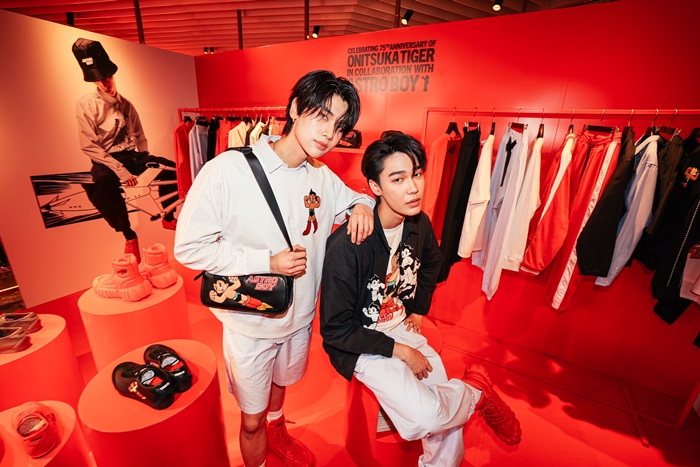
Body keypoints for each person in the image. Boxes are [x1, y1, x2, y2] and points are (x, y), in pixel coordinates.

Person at [174, 70, 374, 467]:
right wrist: (266, 262)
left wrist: (364, 205)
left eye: (339, 126)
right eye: (322, 116)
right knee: (251, 421)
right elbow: (190, 248)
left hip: (299, 319)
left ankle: (278, 430)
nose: (329, 134)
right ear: (295, 109)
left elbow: (355, 198)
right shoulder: (228, 170)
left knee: (282, 385)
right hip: (250, 323)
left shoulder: (322, 176)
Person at [320, 133, 522, 466]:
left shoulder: (418, 224)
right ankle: (476, 393)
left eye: (416, 174)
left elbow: (432, 263)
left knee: (444, 423)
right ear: (375, 187)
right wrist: (402, 351)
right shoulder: (348, 245)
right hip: (361, 341)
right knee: (429, 418)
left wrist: (417, 309)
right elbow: (335, 330)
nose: (413, 187)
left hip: (402, 325)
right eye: (398, 179)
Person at [72, 38, 179, 262]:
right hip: (106, 159)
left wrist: (146, 159)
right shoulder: (86, 104)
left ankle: (168, 215)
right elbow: (88, 145)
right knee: (102, 185)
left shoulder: (126, 104)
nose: (105, 83)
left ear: (113, 74)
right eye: (99, 79)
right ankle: (129, 235)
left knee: (173, 169)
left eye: (107, 77)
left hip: (131, 155)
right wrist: (121, 171)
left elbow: (140, 135)